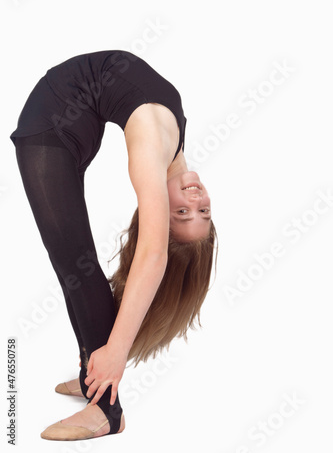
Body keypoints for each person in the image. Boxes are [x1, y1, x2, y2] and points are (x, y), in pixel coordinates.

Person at [9, 50, 218, 441]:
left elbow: (154, 254)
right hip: (70, 116)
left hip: (46, 130)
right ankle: (94, 372)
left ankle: (106, 409)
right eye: (203, 213)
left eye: (183, 215)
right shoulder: (172, 142)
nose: (196, 201)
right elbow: (157, 251)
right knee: (74, 264)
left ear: (154, 217)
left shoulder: (151, 160)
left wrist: (117, 353)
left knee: (75, 265)